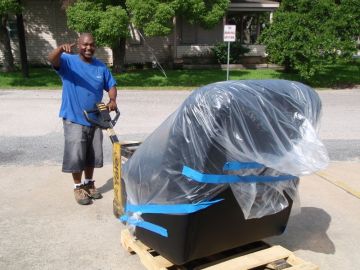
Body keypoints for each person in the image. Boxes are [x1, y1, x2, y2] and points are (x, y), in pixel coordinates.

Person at [48, 33, 118, 205]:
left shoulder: (100, 67)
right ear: (79, 45)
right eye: (85, 44)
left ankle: (89, 183)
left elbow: (111, 85)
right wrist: (59, 49)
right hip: (74, 118)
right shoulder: (68, 61)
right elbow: (51, 59)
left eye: (92, 45)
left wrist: (112, 99)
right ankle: (78, 187)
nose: (88, 48)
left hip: (95, 119)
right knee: (76, 155)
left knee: (92, 155)